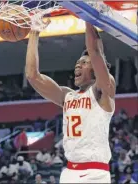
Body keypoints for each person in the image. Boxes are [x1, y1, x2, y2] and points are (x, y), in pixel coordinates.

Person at [25, 19, 115, 183]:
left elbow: (95, 52)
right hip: (69, 173)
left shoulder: (104, 91)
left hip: (95, 173)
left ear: (96, 68)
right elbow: (32, 75)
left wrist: (88, 17)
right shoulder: (68, 96)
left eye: (84, 63)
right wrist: (34, 32)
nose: (78, 66)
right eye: (77, 63)